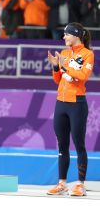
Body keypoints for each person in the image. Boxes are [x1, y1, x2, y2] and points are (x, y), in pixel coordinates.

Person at [47, 22, 94, 196]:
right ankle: (62, 183)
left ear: (76, 35)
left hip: (77, 104)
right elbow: (58, 80)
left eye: (66, 34)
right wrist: (55, 66)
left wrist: (65, 66)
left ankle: (80, 184)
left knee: (79, 145)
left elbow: (82, 76)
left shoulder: (87, 54)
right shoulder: (65, 53)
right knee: (62, 146)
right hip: (61, 103)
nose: (64, 37)